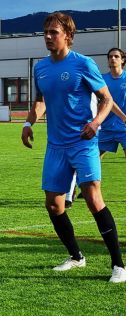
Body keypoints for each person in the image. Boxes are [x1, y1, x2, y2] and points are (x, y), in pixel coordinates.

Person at [20, 12, 126, 283]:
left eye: (53, 32)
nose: (47, 37)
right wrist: (29, 123)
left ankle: (118, 265)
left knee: (92, 197)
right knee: (54, 205)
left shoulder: (83, 64)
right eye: (45, 32)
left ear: (68, 35)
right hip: (55, 146)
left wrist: (95, 123)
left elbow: (106, 99)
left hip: (83, 142)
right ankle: (76, 257)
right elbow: (40, 101)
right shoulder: (40, 68)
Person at [98, 47, 126, 159]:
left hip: (124, 128)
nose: (112, 58)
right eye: (110, 57)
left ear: (123, 60)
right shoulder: (101, 79)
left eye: (116, 56)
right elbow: (104, 101)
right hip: (106, 127)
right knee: (92, 161)